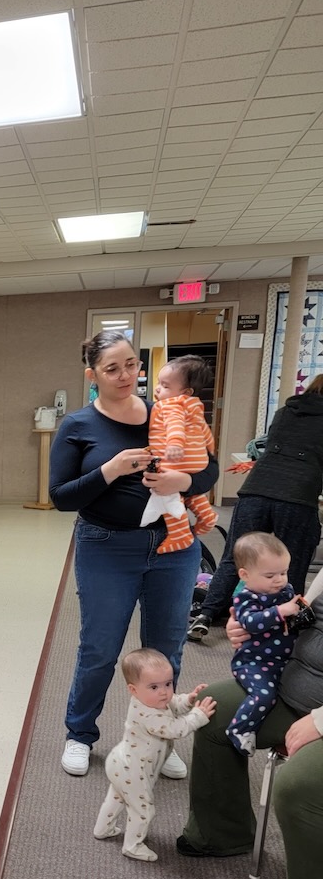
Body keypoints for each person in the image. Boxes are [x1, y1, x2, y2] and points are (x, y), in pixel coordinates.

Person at [50, 329, 220, 777]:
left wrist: (183, 481)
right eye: (112, 369)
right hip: (106, 547)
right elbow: (61, 497)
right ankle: (80, 734)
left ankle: (160, 736)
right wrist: (110, 469)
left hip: (174, 547)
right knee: (100, 649)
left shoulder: (168, 408)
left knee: (166, 651)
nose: (126, 375)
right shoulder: (78, 426)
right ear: (92, 375)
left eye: (131, 365)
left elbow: (209, 466)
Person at [177, 565, 323, 879]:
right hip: (291, 690)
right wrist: (247, 628)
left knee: (299, 787)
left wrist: (320, 721)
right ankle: (222, 833)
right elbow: (301, 619)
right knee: (213, 711)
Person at [188, 374, 323, 642]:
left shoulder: (285, 412)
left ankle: (206, 614)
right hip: (297, 497)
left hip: (256, 489)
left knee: (235, 555)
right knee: (292, 562)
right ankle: (283, 624)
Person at [93, 649, 215, 862]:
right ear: (133, 690)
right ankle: (132, 846)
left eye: (168, 684)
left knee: (117, 797)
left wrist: (189, 700)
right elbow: (175, 729)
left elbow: (174, 703)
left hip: (122, 762)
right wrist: (198, 715)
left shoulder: (154, 700)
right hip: (132, 769)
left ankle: (103, 828)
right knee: (143, 810)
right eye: (154, 687)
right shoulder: (146, 713)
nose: (164, 692)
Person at [225, 532, 305, 755]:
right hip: (254, 663)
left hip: (282, 660)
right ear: (245, 575)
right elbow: (251, 623)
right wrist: (280, 611)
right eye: (270, 575)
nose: (279, 580)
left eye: (283, 572)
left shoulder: (284, 591)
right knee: (264, 696)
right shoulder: (246, 597)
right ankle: (239, 730)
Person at [143, 356, 218, 552]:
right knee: (189, 494)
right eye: (159, 383)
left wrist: (175, 443)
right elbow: (205, 432)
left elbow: (174, 423)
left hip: (175, 459)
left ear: (186, 391)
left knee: (165, 491)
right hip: (197, 461)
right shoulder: (194, 406)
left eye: (165, 386)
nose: (158, 389)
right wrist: (209, 449)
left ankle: (180, 533)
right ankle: (207, 517)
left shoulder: (170, 405)